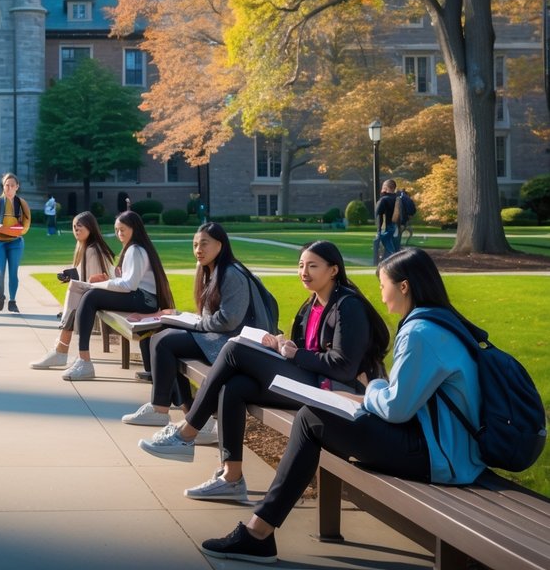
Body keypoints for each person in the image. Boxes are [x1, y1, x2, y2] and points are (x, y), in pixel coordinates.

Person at [198, 247, 484, 563]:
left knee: (311, 419)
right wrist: (364, 396)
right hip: (444, 447)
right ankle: (259, 532)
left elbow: (396, 408)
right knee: (315, 416)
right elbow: (406, 401)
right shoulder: (439, 323)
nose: (381, 292)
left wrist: (370, 388)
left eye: (383, 284)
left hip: (437, 456)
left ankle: (258, 534)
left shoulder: (420, 332)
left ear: (404, 286)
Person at [138, 240, 390, 505]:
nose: (304, 271)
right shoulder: (310, 306)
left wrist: (296, 354)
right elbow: (304, 351)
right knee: (233, 387)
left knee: (234, 350)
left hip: (335, 392)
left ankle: (187, 432)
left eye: (313, 266)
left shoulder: (348, 306)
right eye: (301, 265)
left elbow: (344, 366)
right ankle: (231, 478)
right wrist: (281, 344)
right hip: (312, 381)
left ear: (334, 270)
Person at [122, 222, 272, 427]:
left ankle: (161, 410)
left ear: (220, 245)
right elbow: (209, 316)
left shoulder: (231, 274)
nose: (198, 250)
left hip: (235, 344)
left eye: (204, 244)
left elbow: (229, 320)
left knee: (164, 342)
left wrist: (194, 325)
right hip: (220, 336)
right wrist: (179, 317)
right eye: (195, 245)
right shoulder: (210, 270)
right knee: (163, 336)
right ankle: (189, 412)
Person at [59, 211, 175, 381]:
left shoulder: (135, 250)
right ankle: (83, 360)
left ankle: (84, 361)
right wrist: (109, 280)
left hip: (144, 300)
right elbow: (127, 282)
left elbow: (129, 285)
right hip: (140, 297)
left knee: (90, 296)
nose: (119, 234)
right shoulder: (133, 248)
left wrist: (98, 285)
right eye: (116, 230)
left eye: (123, 230)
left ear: (134, 229)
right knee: (90, 295)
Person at [30, 211, 116, 369]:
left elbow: (94, 281)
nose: (76, 230)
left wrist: (76, 281)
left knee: (74, 293)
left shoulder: (93, 250)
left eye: (80, 226)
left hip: (106, 295)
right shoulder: (84, 247)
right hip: (94, 293)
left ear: (90, 228)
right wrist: (70, 276)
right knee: (74, 291)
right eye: (74, 227)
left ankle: (60, 350)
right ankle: (60, 350)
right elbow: (85, 279)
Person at [0, 173, 31, 312]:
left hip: (16, 242)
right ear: (3, 186)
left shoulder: (22, 203)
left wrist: (6, 230)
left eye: (12, 185)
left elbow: (25, 227)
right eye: (6, 185)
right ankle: (1, 296)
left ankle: (13, 301)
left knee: (13, 272)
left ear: (17, 187)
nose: (9, 188)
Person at [373, 178, 399, 263]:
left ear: (386, 188)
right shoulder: (397, 198)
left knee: (387, 244)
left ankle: (394, 260)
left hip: (385, 225)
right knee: (390, 243)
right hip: (395, 225)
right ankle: (391, 259)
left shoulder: (384, 199)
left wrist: (378, 230)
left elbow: (378, 214)